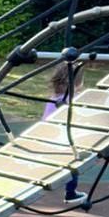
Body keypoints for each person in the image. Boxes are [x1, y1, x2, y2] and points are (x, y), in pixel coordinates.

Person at [42, 65, 85, 203]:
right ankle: (70, 193)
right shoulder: (74, 100)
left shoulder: (54, 97)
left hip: (45, 136)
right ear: (77, 83)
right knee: (74, 164)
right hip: (63, 139)